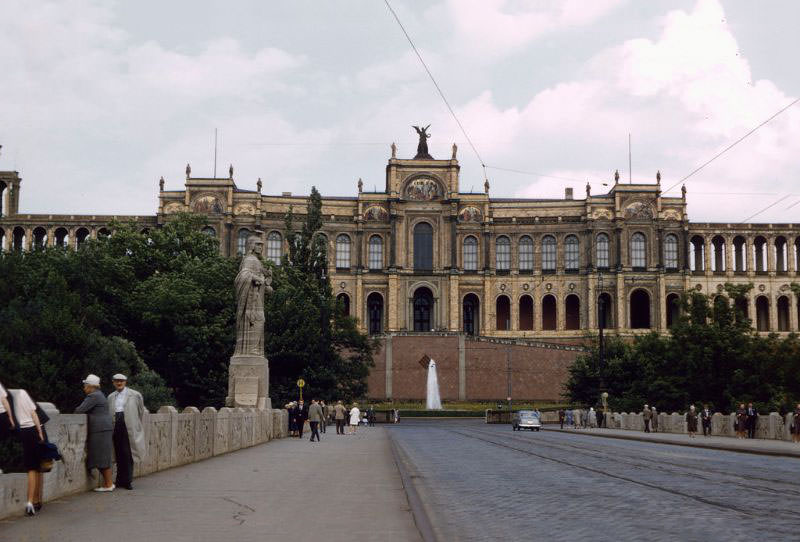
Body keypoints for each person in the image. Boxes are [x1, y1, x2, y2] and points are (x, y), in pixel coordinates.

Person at [106, 374, 147, 490]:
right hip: (115, 425)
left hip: (128, 425)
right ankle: (119, 480)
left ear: (125, 382)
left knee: (128, 453)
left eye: (121, 381)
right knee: (118, 453)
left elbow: (140, 411)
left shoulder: (135, 395)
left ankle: (128, 480)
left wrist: (135, 424)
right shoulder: (110, 397)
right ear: (113, 382)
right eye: (117, 381)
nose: (119, 383)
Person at [9, 388, 45, 516]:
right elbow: (33, 413)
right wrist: (40, 433)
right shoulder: (22, 393)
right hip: (31, 430)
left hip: (20, 433)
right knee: (34, 468)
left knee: (31, 467)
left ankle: (34, 501)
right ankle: (32, 501)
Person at [75, 374, 114, 491]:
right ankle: (109, 483)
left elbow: (79, 410)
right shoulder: (100, 395)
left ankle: (108, 485)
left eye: (85, 385)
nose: (84, 388)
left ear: (91, 386)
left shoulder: (93, 396)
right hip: (103, 428)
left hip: (99, 429)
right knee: (103, 456)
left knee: (101, 457)